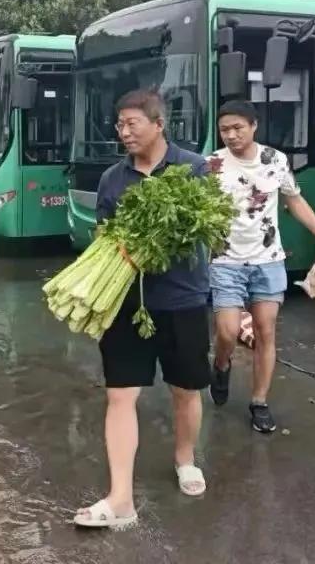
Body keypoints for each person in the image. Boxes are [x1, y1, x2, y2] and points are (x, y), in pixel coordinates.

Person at [74, 90, 212, 530]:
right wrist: (118, 250)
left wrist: (152, 248)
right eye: (119, 125)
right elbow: (102, 234)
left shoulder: (194, 168)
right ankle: (121, 500)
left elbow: (203, 229)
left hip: (183, 299)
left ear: (158, 124)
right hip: (127, 303)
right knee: (120, 394)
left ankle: (185, 459)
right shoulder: (113, 179)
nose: (124, 132)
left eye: (132, 123)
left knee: (186, 389)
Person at [207, 100, 315, 433]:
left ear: (253, 126)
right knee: (227, 331)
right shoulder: (212, 165)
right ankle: (221, 365)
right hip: (225, 261)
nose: (232, 135)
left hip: (268, 261)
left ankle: (259, 402)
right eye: (225, 130)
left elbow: (294, 201)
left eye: (238, 128)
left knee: (266, 330)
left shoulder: (275, 160)